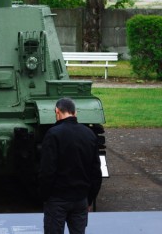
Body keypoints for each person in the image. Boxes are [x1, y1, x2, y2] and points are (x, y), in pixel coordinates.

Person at [38, 97, 102, 234]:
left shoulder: (53, 134)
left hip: (57, 199)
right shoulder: (89, 134)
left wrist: (45, 196)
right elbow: (96, 172)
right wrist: (89, 199)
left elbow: (47, 171)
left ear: (57, 111)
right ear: (75, 113)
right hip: (81, 199)